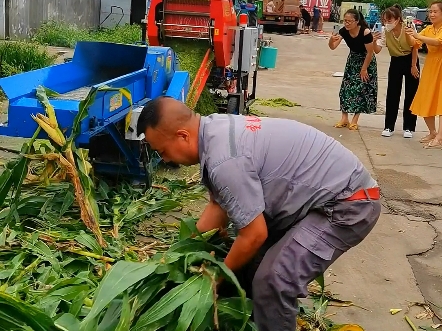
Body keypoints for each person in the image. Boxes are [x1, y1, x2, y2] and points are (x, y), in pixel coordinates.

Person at [137, 96, 382, 331]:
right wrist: (177, 255)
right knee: (249, 266)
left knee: (272, 280)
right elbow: (217, 209)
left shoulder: (224, 160)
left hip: (346, 204)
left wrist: (215, 279)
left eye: (163, 151)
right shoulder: (213, 129)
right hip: (316, 200)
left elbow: (254, 235)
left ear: (182, 136)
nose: (165, 159)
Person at [372, 4, 419, 139]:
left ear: (398, 19)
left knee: (411, 93)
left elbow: (414, 46)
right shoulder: (385, 31)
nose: (387, 23)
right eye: (385, 21)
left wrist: (413, 65)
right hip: (396, 61)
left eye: (390, 20)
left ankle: (409, 127)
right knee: (392, 92)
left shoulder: (409, 27)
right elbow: (377, 50)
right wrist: (374, 41)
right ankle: (389, 126)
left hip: (411, 60)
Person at [328, 9, 378, 131]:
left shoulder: (365, 32)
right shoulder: (344, 31)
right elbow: (333, 47)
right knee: (345, 89)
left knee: (361, 90)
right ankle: (344, 118)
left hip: (366, 61)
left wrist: (364, 69)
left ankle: (355, 120)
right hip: (352, 61)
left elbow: (370, 52)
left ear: (356, 21)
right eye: (345, 21)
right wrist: (331, 40)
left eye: (350, 21)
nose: (347, 23)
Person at [405, 0, 442, 149]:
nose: (431, 14)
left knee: (440, 101)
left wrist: (416, 36)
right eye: (430, 11)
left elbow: (438, 42)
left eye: (435, 11)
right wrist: (408, 34)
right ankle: (433, 132)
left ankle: (440, 137)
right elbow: (414, 43)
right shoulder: (428, 29)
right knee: (426, 99)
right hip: (430, 67)